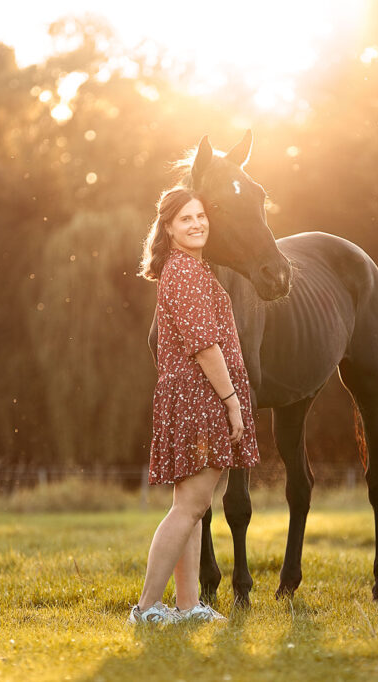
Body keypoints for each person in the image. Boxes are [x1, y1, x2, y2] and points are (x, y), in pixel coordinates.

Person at [130, 186, 260, 624]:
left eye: (201, 215)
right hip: (199, 399)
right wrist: (232, 402)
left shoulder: (189, 269)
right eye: (185, 218)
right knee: (188, 508)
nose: (197, 223)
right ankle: (146, 609)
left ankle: (186, 606)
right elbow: (205, 346)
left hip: (193, 398)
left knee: (191, 507)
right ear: (168, 228)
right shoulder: (185, 273)